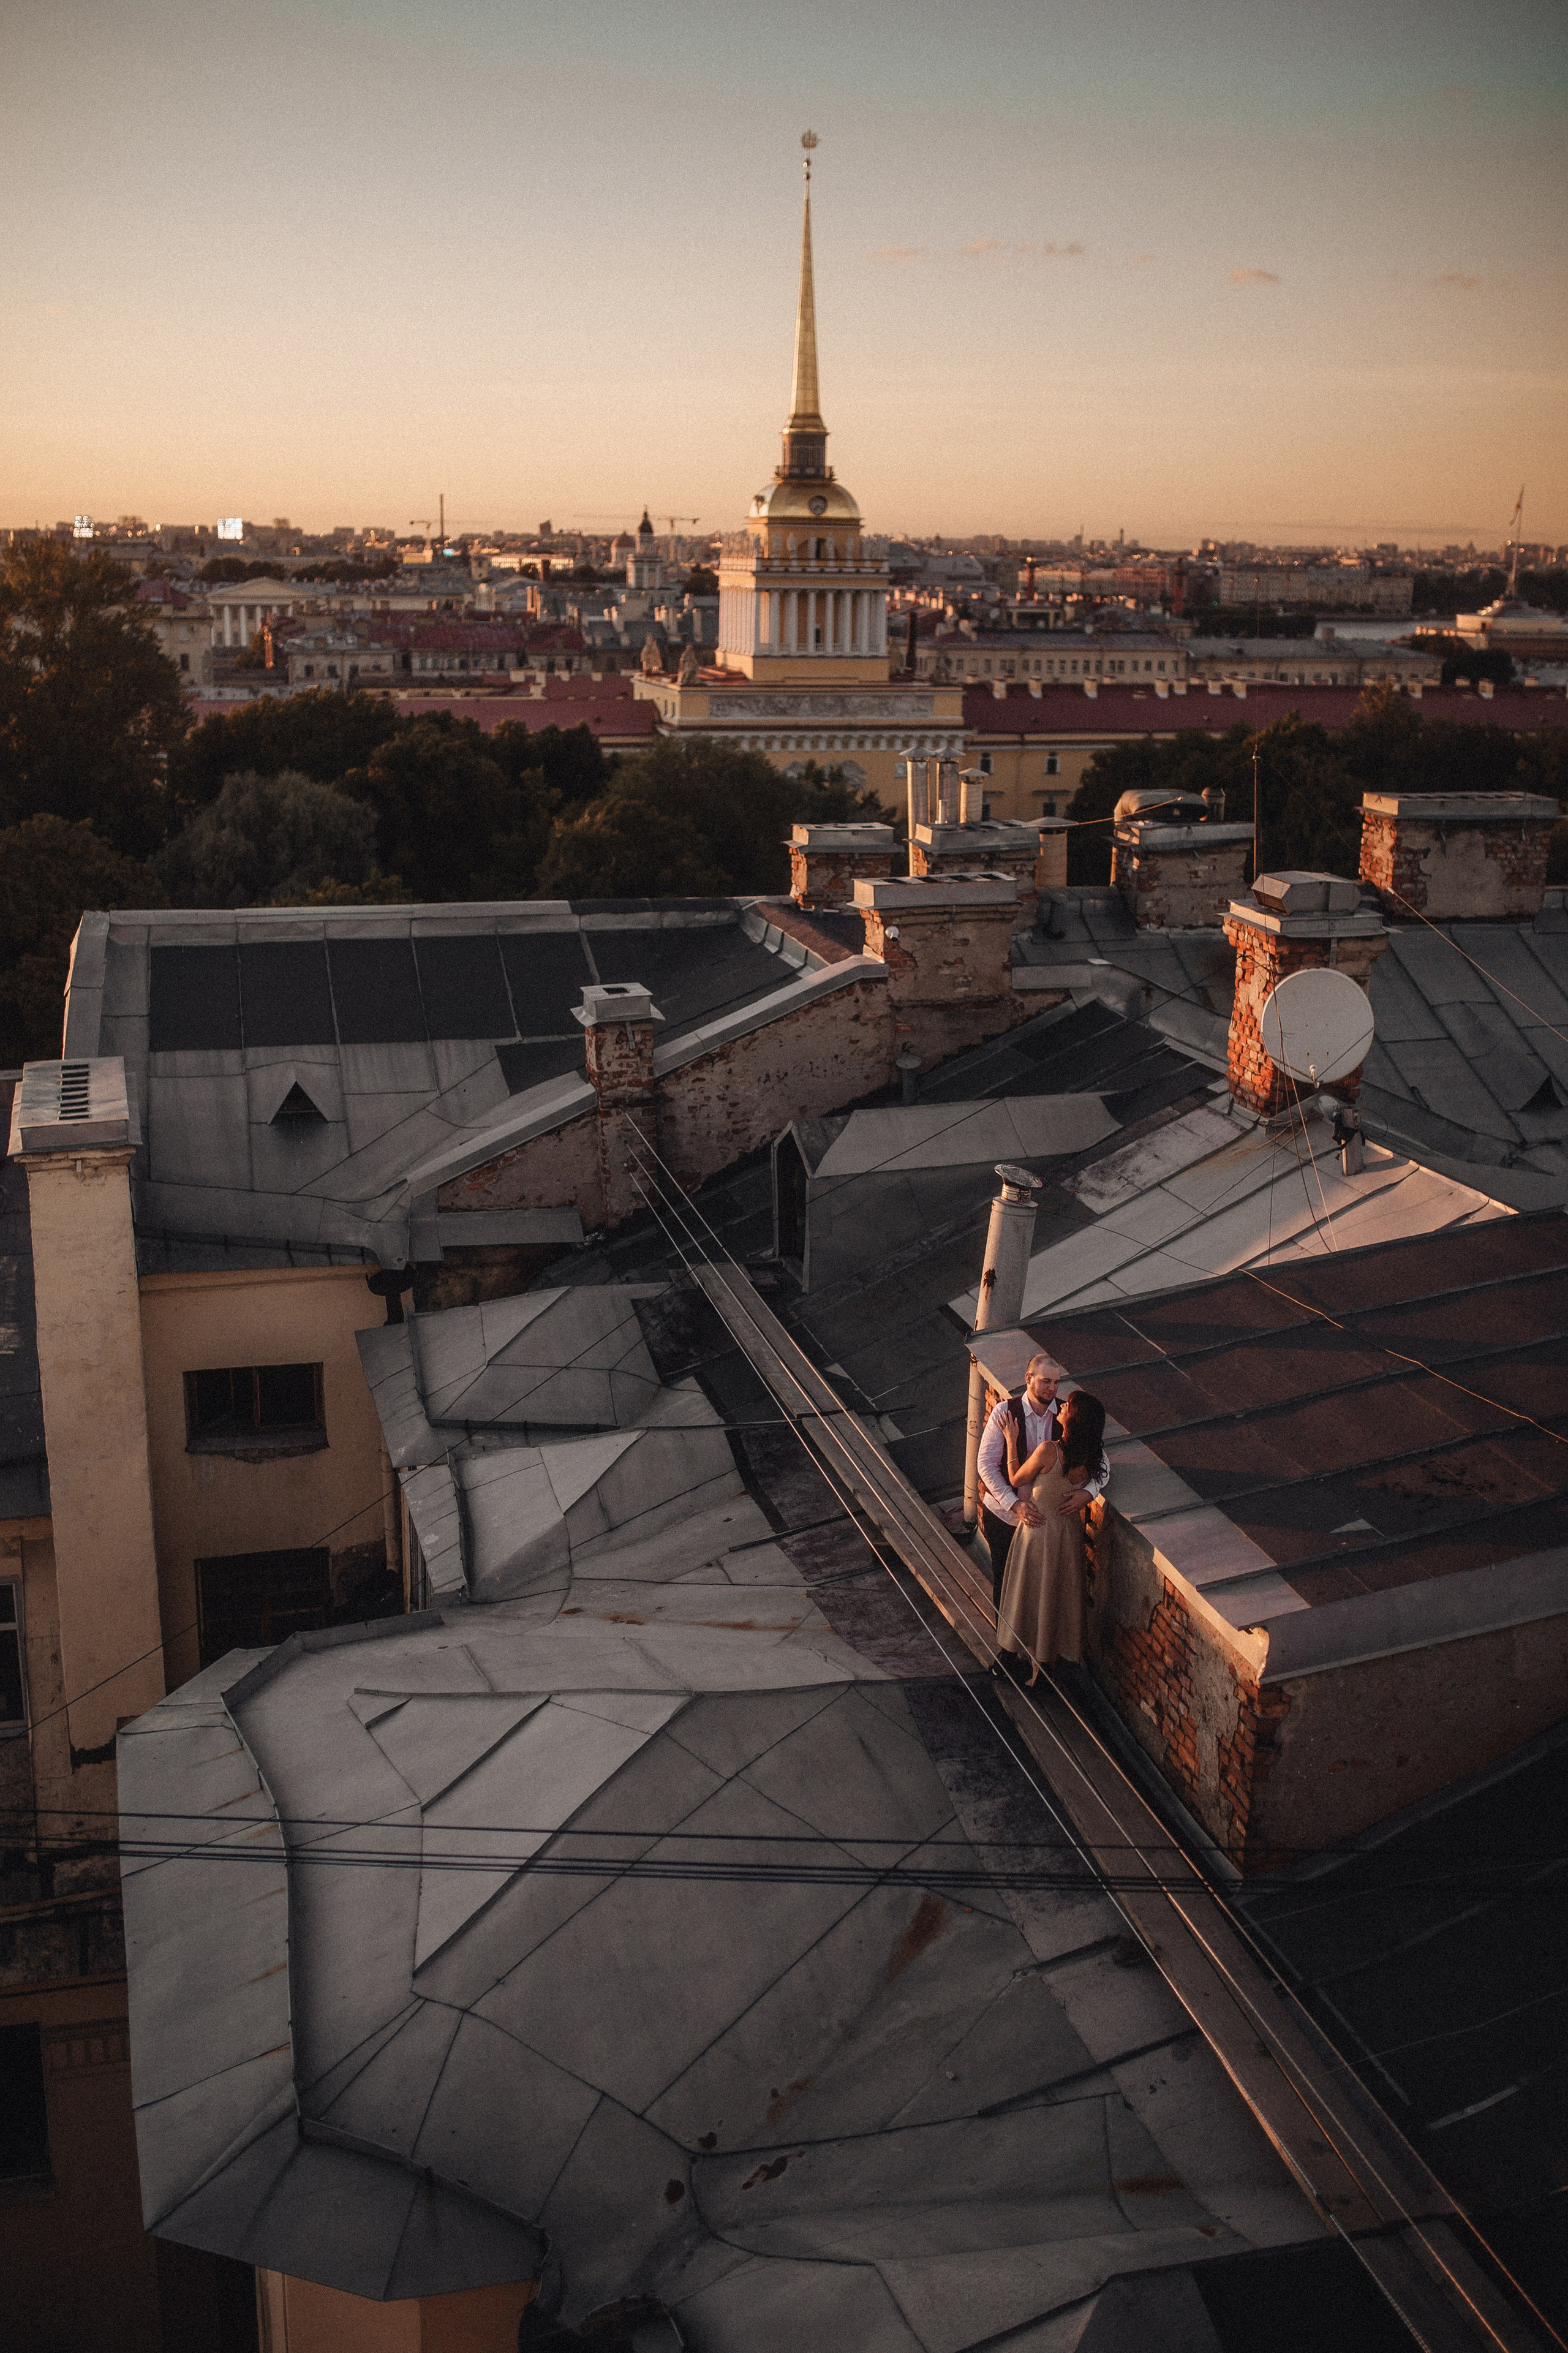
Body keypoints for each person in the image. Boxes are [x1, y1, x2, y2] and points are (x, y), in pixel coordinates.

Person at [975, 1354, 1110, 1614]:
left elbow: (1103, 1462)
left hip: (1046, 1525)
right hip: (1005, 1518)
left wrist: (1088, 1493)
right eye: (1046, 1381)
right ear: (1029, 1379)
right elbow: (986, 1465)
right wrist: (1015, 1505)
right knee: (1005, 1586)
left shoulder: (1068, 1416)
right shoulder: (1005, 1412)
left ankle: (1036, 1647)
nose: (1052, 1388)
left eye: (1057, 1383)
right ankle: (1008, 1650)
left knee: (1041, 1590)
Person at [996, 1389, 1108, 1684]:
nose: (1062, 1406)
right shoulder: (1092, 1456)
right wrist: (1088, 1492)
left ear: (1074, 1420)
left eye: (1068, 1406)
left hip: (1038, 1534)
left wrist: (1011, 1440)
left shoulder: (1049, 1450)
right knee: (1054, 1598)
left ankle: (1009, 1660)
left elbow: (1016, 1478)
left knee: (1027, 1595)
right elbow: (1106, 1473)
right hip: (1068, 1539)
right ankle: (1045, 1670)